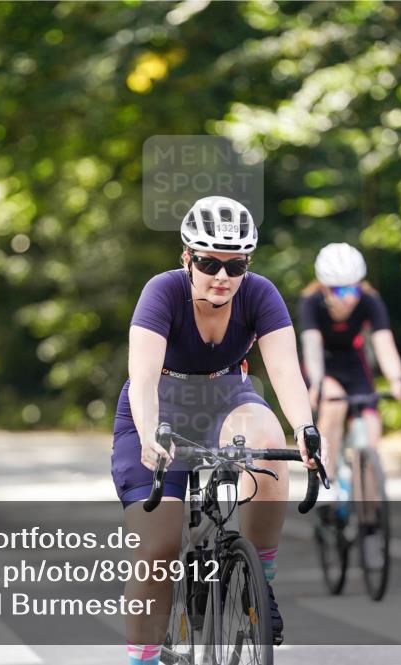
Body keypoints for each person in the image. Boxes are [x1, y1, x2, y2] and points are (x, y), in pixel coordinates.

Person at [110, 196, 325, 662]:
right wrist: (150, 436)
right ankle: (142, 658)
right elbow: (144, 377)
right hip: (159, 406)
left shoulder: (260, 293)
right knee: (158, 550)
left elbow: (286, 371)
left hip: (226, 396)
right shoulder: (162, 292)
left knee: (268, 446)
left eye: (236, 265)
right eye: (209, 263)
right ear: (187, 258)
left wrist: (306, 429)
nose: (223, 276)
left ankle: (259, 583)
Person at [298, 243, 401, 561]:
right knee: (333, 405)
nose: (347, 296)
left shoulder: (370, 300)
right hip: (326, 368)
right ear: (324, 286)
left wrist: (399, 380)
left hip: (355, 368)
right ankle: (327, 480)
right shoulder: (312, 302)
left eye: (353, 287)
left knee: (370, 436)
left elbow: (384, 343)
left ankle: (371, 527)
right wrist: (315, 383)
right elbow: (312, 347)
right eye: (339, 289)